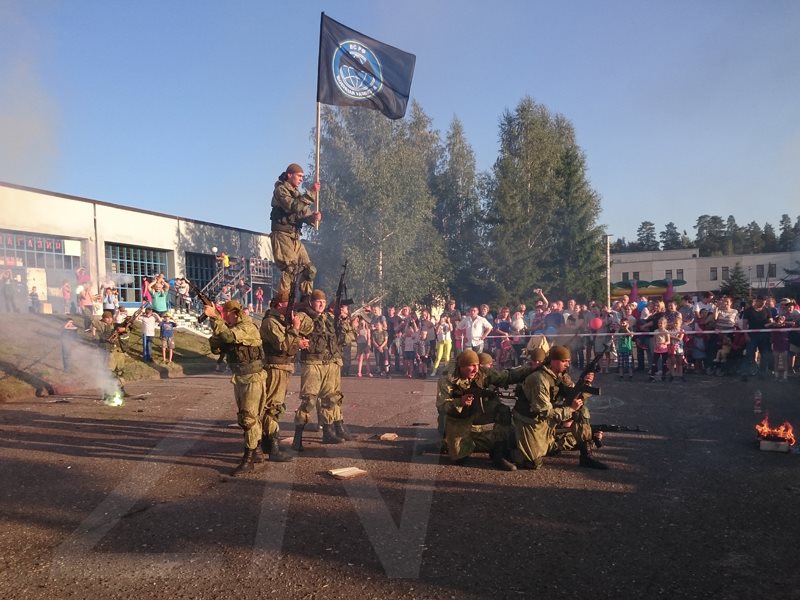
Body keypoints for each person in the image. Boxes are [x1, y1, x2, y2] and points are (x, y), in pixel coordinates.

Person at [512, 345, 607, 470]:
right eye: (564, 361)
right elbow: (545, 412)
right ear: (552, 361)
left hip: (548, 418)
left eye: (568, 361)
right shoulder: (539, 379)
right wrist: (570, 410)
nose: (567, 365)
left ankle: (586, 456)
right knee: (533, 463)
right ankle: (510, 449)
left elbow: (574, 397)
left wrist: (585, 383)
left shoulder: (560, 375)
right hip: (532, 421)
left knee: (581, 411)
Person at [435, 349, 532, 471]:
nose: (476, 369)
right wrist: (460, 402)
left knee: (503, 411)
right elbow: (441, 406)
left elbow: (507, 377)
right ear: (461, 367)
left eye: (477, 365)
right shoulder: (447, 378)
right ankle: (444, 443)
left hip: (478, 409)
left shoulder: (481, 372)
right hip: (458, 416)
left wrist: (531, 368)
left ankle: (498, 453)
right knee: (459, 459)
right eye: (471, 366)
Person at [205, 299, 268, 476]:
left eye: (226, 315)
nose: (225, 319)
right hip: (240, 377)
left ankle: (248, 459)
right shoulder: (231, 327)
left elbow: (227, 337)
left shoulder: (248, 327)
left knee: (248, 418)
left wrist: (215, 318)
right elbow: (217, 347)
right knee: (247, 418)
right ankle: (257, 451)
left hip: (253, 378)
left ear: (235, 313)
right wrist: (214, 321)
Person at [292, 289, 354, 450]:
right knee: (309, 401)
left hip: (329, 362)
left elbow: (342, 339)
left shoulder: (328, 318)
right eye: (318, 301)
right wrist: (298, 340)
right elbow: (292, 332)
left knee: (330, 399)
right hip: (313, 363)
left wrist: (344, 321)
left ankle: (328, 432)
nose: (321, 304)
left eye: (324, 302)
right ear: (311, 302)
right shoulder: (304, 317)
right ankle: (297, 439)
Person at [259, 290, 307, 462]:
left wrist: (298, 342)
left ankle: (266, 442)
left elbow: (288, 344)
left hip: (283, 367)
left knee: (274, 406)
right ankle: (273, 447)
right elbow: (282, 345)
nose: (292, 309)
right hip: (275, 367)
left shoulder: (279, 321)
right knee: (272, 407)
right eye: (289, 305)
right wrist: (295, 329)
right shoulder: (270, 322)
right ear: (280, 305)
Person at [270, 163, 321, 298]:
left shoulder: (297, 194)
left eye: (302, 177)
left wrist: (313, 218)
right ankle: (283, 300)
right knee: (290, 268)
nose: (301, 179)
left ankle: (306, 300)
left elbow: (303, 214)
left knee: (309, 269)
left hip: (294, 237)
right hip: (282, 235)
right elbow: (294, 207)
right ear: (289, 175)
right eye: (299, 176)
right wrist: (311, 193)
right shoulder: (280, 190)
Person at [92, 310, 129, 398]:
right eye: (107, 318)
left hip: (118, 351)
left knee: (120, 372)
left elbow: (129, 328)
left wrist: (127, 324)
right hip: (107, 351)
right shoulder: (100, 325)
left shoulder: (115, 325)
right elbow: (99, 335)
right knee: (108, 372)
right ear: (103, 318)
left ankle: (121, 390)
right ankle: (106, 392)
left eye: (110, 318)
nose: (109, 319)